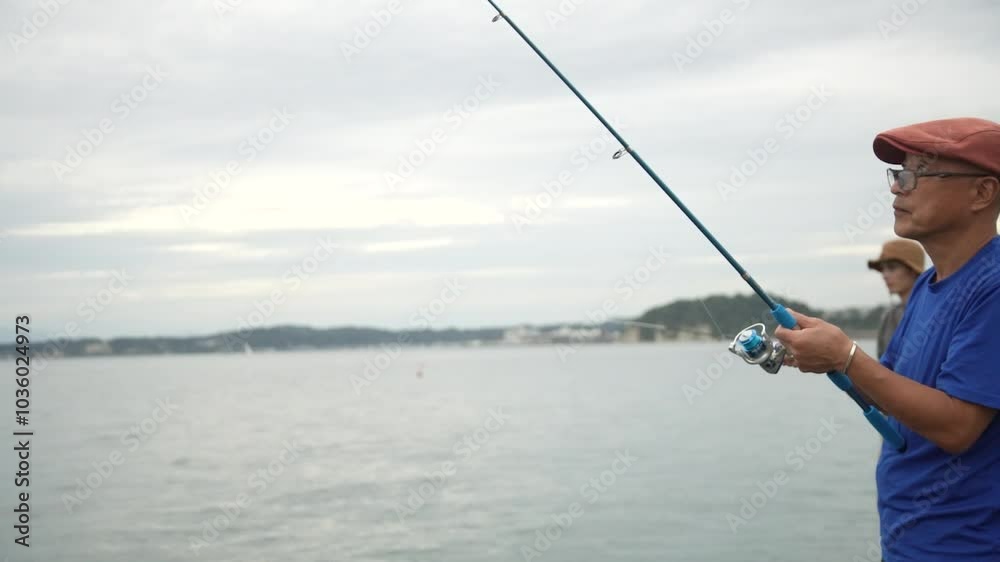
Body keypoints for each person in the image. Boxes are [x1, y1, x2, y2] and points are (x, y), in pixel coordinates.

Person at [774, 117, 1000, 561]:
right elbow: (890, 387)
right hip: (908, 541)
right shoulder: (928, 284)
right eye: (897, 174)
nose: (897, 188)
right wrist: (819, 352)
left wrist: (847, 356)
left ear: (982, 193)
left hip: (965, 548)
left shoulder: (993, 288)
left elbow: (958, 427)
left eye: (918, 174)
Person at [867, 239, 925, 358]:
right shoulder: (890, 316)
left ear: (912, 270)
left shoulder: (930, 313)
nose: (884, 275)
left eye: (892, 268)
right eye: (882, 269)